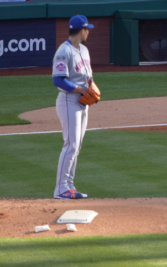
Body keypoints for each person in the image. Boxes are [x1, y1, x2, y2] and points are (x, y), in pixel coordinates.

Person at [52, 14, 95, 200]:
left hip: (83, 102)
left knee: (76, 146)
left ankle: (69, 186)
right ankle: (61, 189)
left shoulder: (84, 50)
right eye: (88, 30)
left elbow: (87, 76)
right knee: (71, 144)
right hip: (69, 101)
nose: (89, 33)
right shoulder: (64, 51)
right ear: (82, 30)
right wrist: (80, 89)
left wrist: (90, 88)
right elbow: (58, 80)